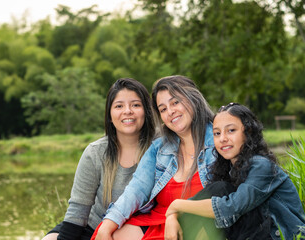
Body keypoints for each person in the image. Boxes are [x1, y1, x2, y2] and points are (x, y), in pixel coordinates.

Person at [92, 75, 216, 240]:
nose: (170, 112)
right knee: (109, 233)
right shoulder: (160, 148)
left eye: (175, 102)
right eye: (163, 109)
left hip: (198, 221)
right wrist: (109, 222)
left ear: (193, 99)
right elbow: (137, 189)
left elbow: (233, 193)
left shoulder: (220, 140)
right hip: (159, 220)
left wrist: (176, 212)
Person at [166, 103, 305, 240]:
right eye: (217, 133)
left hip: (284, 236)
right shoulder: (228, 168)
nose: (223, 138)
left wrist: (176, 205)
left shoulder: (262, 166)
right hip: (256, 233)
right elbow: (203, 203)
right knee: (217, 191)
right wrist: (173, 215)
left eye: (231, 130)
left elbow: (231, 208)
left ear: (248, 132)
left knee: (219, 190)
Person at [42, 78, 156, 240]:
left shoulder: (160, 147)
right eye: (119, 106)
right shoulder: (95, 152)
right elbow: (78, 211)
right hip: (95, 224)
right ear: (109, 115)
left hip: (140, 227)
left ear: (146, 110)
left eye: (136, 105)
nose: (127, 111)